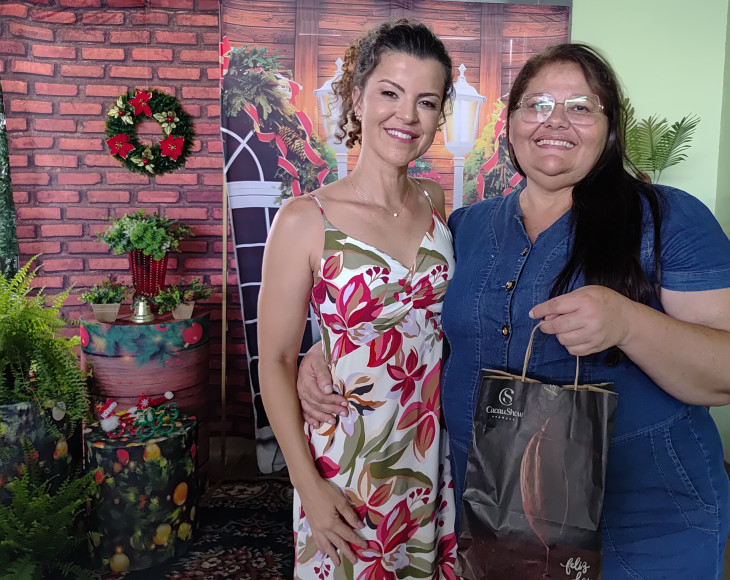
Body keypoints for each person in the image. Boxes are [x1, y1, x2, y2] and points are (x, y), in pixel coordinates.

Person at [297, 42, 730, 579]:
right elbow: (417, 310)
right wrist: (325, 350)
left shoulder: (665, 218)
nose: (556, 121)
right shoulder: (467, 226)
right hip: (492, 508)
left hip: (642, 520)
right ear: (512, 122)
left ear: (610, 126)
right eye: (538, 104)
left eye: (581, 107)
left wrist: (629, 323)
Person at [257, 18, 458, 579]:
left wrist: (321, 348)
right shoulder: (305, 219)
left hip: (430, 450)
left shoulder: (434, 199)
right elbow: (274, 360)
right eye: (390, 93)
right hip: (348, 461)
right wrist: (308, 486)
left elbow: (428, 321)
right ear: (357, 96)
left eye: (426, 102)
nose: (407, 116)